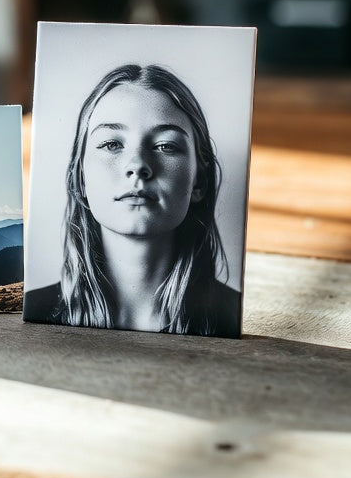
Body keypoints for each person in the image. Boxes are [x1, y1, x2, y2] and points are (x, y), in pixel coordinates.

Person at [23, 63, 241, 337]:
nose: (137, 165)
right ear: (81, 180)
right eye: (112, 144)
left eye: (165, 146)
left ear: (199, 181)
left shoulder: (229, 316)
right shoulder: (37, 313)